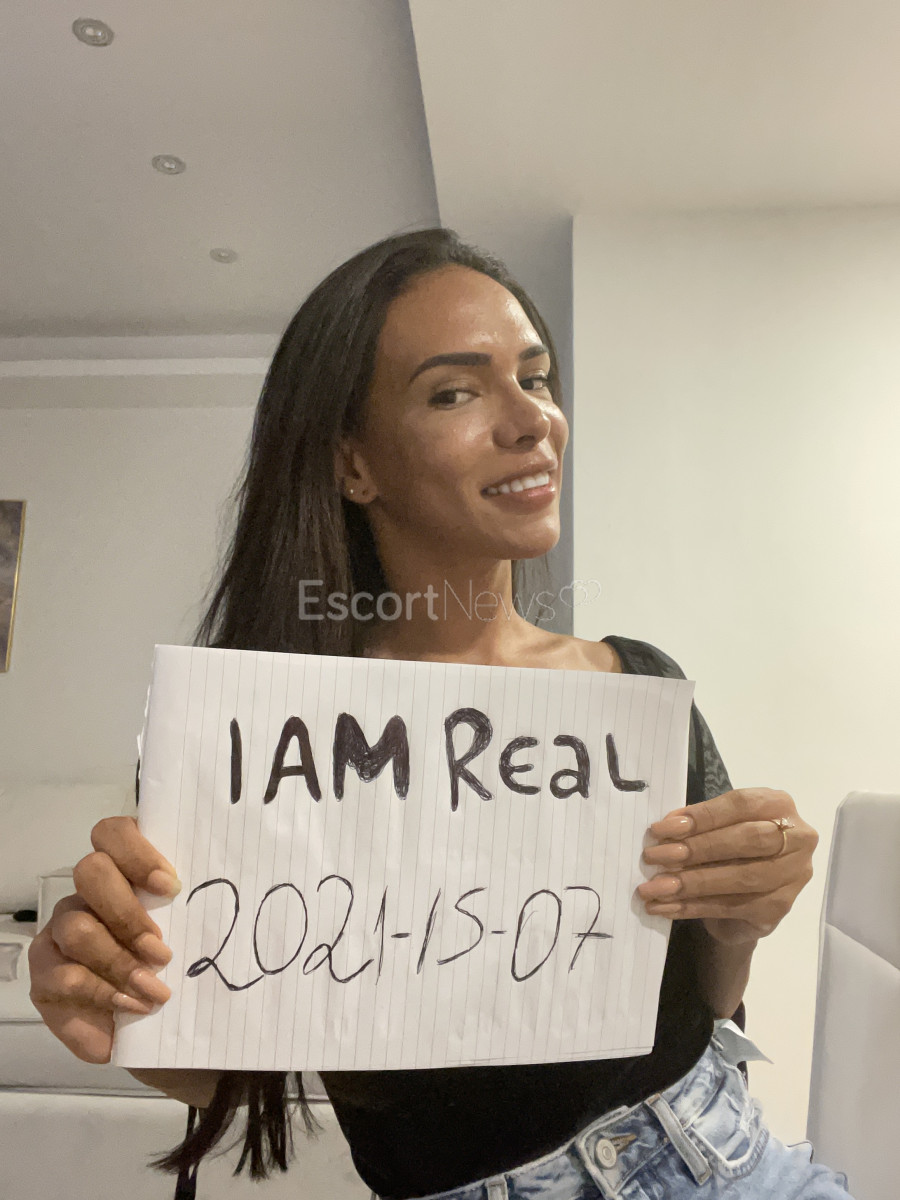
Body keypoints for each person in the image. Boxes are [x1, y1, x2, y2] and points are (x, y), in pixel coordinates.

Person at [28, 228, 851, 1199]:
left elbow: (707, 1003)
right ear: (353, 464)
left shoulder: (637, 686)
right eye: (456, 392)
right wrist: (116, 1006)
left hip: (735, 1162)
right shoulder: (258, 750)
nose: (532, 420)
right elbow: (224, 1067)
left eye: (535, 379)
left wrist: (743, 920)